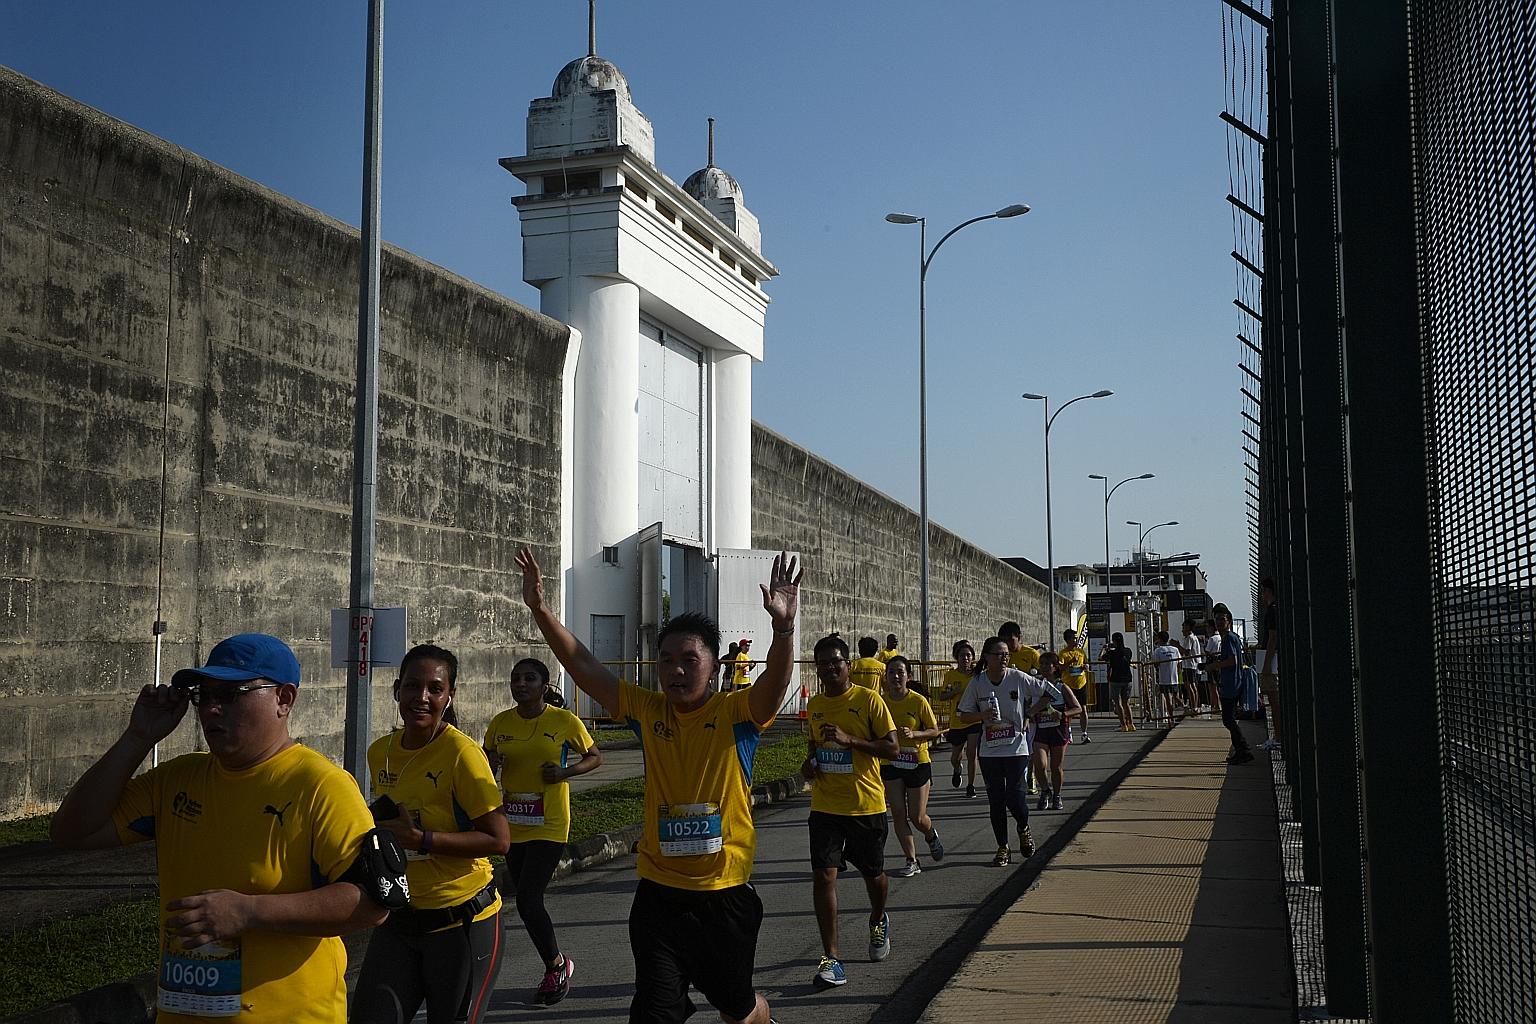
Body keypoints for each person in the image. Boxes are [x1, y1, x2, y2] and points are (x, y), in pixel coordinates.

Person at [516, 546, 800, 1024]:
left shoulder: (736, 713)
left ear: (714, 666)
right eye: (666, 660)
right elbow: (584, 665)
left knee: (737, 1009)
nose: (676, 670)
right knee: (654, 1013)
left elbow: (775, 680)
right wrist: (540, 609)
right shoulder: (648, 711)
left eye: (690, 660)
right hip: (659, 895)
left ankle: (760, 1014)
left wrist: (784, 628)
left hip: (724, 894)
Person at [49, 634, 392, 1024]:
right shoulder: (177, 779)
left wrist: (249, 911)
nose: (212, 708)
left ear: (284, 699)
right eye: (204, 694)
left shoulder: (319, 785)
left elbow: (370, 902)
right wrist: (138, 738)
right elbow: (72, 831)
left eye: (232, 694)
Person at [353, 644, 510, 1024]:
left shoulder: (462, 753)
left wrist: (422, 839)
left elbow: (499, 840)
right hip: (400, 920)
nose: (421, 698)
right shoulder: (380, 752)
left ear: (449, 696)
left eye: (435, 689)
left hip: (463, 922)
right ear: (396, 690)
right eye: (411, 686)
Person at [483, 658, 603, 1005]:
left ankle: (555, 966)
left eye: (529, 678)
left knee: (529, 899)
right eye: (516, 678)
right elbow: (487, 758)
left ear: (545, 685)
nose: (521, 684)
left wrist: (566, 773)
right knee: (524, 897)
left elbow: (595, 756)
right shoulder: (500, 723)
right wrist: (492, 768)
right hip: (514, 823)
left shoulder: (564, 721)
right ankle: (557, 961)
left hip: (549, 823)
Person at [803, 633, 899, 988]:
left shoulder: (868, 700)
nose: (830, 668)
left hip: (866, 804)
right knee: (824, 876)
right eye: (823, 663)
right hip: (826, 804)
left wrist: (851, 740)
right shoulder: (814, 705)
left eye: (836, 661)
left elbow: (892, 747)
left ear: (848, 665)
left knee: (874, 876)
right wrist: (809, 764)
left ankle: (878, 918)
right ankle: (831, 957)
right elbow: (814, 745)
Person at [954, 636, 1051, 868]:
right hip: (989, 751)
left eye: (1007, 654)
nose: (1004, 658)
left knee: (1015, 797)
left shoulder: (1017, 677)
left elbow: (1050, 693)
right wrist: (982, 716)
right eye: (999, 654)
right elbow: (963, 714)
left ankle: (1023, 828)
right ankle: (1003, 847)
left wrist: (1029, 714)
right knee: (996, 800)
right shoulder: (978, 683)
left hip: (1016, 748)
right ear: (986, 657)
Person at [879, 656, 945, 877]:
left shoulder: (917, 701)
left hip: (917, 761)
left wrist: (914, 734)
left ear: (909, 676)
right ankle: (911, 860)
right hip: (891, 762)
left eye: (900, 672)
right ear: (885, 676)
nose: (896, 676)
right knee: (898, 813)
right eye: (891, 672)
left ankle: (930, 834)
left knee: (917, 817)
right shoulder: (881, 702)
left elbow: (934, 730)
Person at [1031, 652, 1082, 812]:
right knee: (1039, 765)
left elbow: (1078, 708)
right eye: (1042, 664)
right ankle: (1045, 791)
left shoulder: (1062, 687)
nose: (1045, 667)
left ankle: (1057, 795)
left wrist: (1063, 714)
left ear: (1055, 667)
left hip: (1058, 731)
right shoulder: (1035, 685)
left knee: (1056, 767)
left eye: (1048, 664)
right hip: (1040, 730)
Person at [1206, 603, 1254, 764]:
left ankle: (1243, 748)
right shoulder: (1231, 638)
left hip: (1232, 684)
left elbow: (1232, 660)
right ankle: (1240, 749)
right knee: (1229, 718)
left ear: (1229, 621)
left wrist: (1214, 665)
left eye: (1222, 619)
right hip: (1231, 682)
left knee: (1228, 719)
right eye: (1217, 619)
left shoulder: (1229, 638)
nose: (1219, 623)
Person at [938, 640, 980, 798]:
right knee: (955, 757)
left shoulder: (977, 675)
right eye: (962, 655)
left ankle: (971, 785)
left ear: (973, 658)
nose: (966, 658)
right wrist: (954, 691)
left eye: (969, 655)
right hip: (957, 721)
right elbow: (942, 696)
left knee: (971, 753)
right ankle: (957, 769)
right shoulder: (950, 675)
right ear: (957, 657)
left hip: (974, 719)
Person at [1259, 578, 1283, 752]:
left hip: (1271, 660)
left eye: (1263, 591)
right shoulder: (1276, 609)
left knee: (1274, 700)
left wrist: (1266, 663)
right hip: (1272, 657)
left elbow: (1272, 637)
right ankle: (1278, 735)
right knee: (1274, 700)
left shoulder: (1271, 611)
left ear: (1268, 591)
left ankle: (1278, 737)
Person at [1057, 628, 1092, 743]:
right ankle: (1069, 732)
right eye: (1073, 638)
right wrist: (1070, 661)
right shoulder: (1063, 653)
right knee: (1069, 710)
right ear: (1068, 640)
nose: (1076, 640)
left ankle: (1084, 733)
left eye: (1076, 638)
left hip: (1081, 683)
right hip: (1068, 685)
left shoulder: (1081, 651)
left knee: (1083, 709)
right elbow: (1060, 668)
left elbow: (1086, 663)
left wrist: (1085, 667)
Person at [1102, 632, 1136, 732]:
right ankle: (1131, 724)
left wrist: (1105, 648)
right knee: (1126, 703)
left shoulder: (1112, 653)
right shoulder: (1128, 651)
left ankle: (1123, 725)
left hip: (1116, 679)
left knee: (1118, 703)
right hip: (1127, 678)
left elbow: (1101, 657)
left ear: (1114, 641)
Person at [1151, 630, 1185, 724]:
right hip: (1174, 677)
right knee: (1176, 697)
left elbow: (1156, 665)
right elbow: (1179, 663)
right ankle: (1185, 708)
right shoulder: (1175, 649)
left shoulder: (1158, 650)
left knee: (1168, 699)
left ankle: (1171, 718)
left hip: (1164, 679)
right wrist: (1178, 673)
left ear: (1159, 639)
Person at [1179, 620, 1205, 715]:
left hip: (1190, 665)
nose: (1182, 629)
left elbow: (1187, 652)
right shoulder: (1190, 638)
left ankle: (1194, 706)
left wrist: (1177, 645)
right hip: (1191, 665)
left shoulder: (1190, 638)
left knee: (1190, 686)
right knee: (1191, 686)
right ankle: (1194, 706)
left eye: (1184, 626)